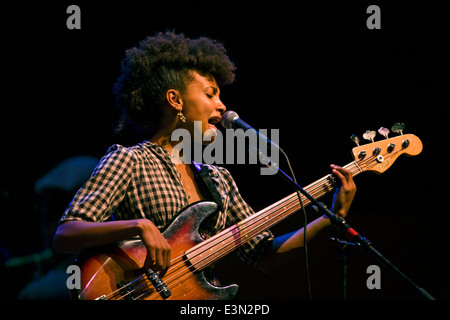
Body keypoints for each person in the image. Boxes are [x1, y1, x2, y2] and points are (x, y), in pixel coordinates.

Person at [53, 32, 356, 294]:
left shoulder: (219, 179)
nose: (222, 106)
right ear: (176, 100)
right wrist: (139, 226)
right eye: (211, 94)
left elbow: (264, 255)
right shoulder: (130, 159)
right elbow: (66, 235)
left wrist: (333, 215)